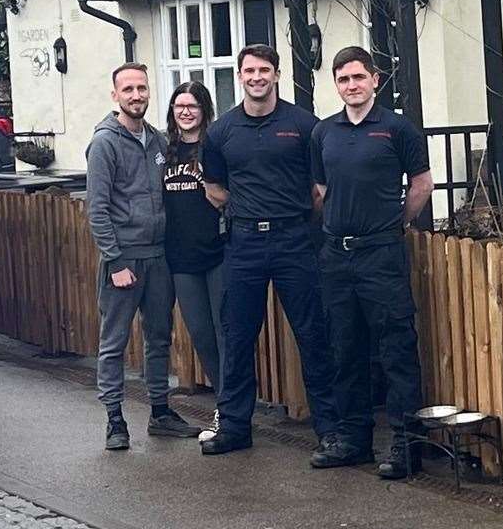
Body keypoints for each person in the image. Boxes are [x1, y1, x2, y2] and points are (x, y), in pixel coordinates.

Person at [199, 43, 354, 466]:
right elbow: (213, 187)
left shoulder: (304, 125)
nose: (256, 77)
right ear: (240, 76)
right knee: (237, 336)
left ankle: (330, 430)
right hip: (244, 243)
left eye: (264, 70)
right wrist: (244, 211)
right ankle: (233, 427)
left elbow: (319, 189)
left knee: (313, 335)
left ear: (276, 74)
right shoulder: (221, 131)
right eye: (249, 71)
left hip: (294, 241)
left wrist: (293, 216)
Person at [310, 46, 433, 480]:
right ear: (337, 85)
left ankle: (404, 445)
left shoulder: (397, 129)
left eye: (358, 78)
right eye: (343, 80)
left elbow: (421, 185)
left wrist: (393, 223)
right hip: (336, 256)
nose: (352, 86)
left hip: (381, 252)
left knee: (396, 347)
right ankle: (353, 439)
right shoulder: (324, 133)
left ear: (375, 80)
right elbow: (320, 191)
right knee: (344, 348)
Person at [85, 62, 200, 450]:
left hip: (158, 257)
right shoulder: (105, 143)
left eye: (142, 89)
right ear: (115, 95)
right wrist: (115, 261)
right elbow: (97, 209)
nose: (137, 96)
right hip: (124, 259)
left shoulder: (156, 140)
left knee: (158, 337)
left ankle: (160, 412)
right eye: (129, 89)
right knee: (114, 342)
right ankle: (114, 419)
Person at [163, 80, 226, 441]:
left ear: (204, 110)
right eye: (179, 106)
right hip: (181, 259)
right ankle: (224, 402)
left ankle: (231, 410)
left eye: (193, 105)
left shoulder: (215, 148)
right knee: (202, 336)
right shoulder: (164, 150)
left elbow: (228, 195)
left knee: (224, 333)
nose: (186, 112)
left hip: (217, 254)